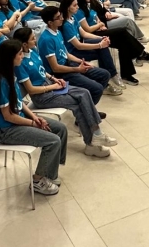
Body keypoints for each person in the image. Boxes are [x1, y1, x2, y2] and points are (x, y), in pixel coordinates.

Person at [12, 27, 117, 158]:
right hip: (42, 96)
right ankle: (93, 140)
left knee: (84, 93)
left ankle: (95, 137)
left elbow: (42, 71)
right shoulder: (20, 64)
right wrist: (53, 86)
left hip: (50, 85)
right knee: (78, 103)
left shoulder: (32, 51)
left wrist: (54, 79)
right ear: (24, 44)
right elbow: (31, 90)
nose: (35, 40)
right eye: (32, 39)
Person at [0, 39, 68, 195]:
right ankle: (37, 181)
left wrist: (34, 117)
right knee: (53, 140)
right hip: (7, 130)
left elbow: (20, 103)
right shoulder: (1, 81)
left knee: (60, 128)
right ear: (10, 57)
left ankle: (49, 173)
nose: (23, 56)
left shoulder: (10, 73)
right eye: (20, 54)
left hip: (18, 120)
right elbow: (8, 116)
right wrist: (33, 123)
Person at [37, 6, 113, 104]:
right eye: (58, 17)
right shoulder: (46, 40)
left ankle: (88, 106)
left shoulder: (57, 32)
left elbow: (66, 54)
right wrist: (77, 69)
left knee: (105, 74)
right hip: (60, 74)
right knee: (97, 89)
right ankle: (86, 109)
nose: (62, 18)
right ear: (50, 22)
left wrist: (81, 62)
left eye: (61, 15)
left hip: (69, 64)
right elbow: (55, 68)